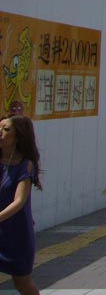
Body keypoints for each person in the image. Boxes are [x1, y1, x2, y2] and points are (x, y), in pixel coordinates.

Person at [0, 115, 42, 295]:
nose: (0, 133)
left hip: (16, 233)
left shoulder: (25, 165)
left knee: (22, 283)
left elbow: (19, 201)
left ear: (18, 136)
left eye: (6, 129)